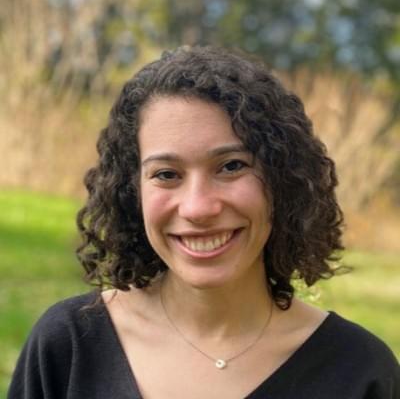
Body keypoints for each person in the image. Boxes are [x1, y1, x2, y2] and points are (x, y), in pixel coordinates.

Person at [8, 46, 400, 399]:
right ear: (132, 191)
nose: (198, 208)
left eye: (231, 166)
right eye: (166, 174)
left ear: (283, 180)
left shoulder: (360, 371)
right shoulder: (69, 346)